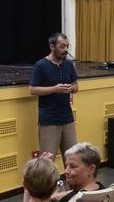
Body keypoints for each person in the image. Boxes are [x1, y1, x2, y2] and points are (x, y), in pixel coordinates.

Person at [30, 32, 79, 161]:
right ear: (52, 47)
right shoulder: (40, 66)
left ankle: (72, 181)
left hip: (67, 118)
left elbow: (76, 86)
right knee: (47, 161)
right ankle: (48, 182)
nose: (66, 50)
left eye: (67, 46)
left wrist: (71, 89)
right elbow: (32, 90)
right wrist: (54, 89)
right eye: (62, 47)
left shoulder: (68, 64)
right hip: (49, 120)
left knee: (73, 159)